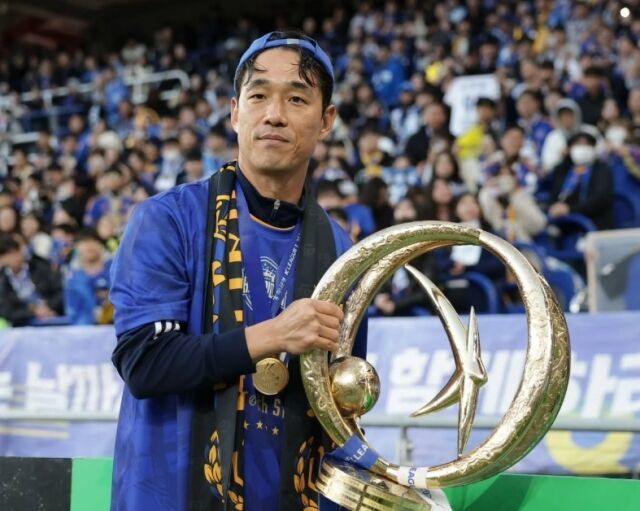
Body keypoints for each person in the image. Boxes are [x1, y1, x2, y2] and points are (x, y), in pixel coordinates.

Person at [109, 31, 366, 511]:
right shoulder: (168, 220)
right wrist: (274, 336)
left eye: (296, 98)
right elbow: (145, 365)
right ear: (234, 112)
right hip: (170, 497)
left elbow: (339, 408)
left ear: (326, 120)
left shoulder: (342, 253)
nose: (274, 114)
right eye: (259, 95)